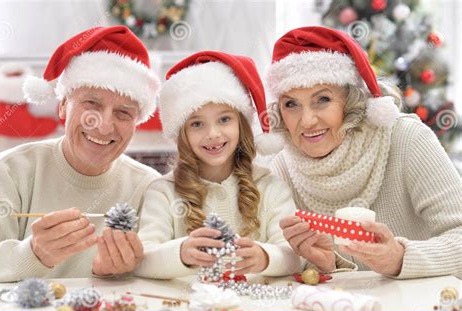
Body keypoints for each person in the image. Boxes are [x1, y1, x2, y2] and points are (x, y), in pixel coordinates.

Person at [265, 26, 461, 279]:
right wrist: (326, 266)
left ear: (351, 100)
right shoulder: (282, 168)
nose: (307, 121)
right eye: (291, 104)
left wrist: (399, 258)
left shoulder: (407, 139)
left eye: (322, 99)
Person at [0, 26, 161, 289]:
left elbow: (164, 289)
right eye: (91, 104)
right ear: (63, 106)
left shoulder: (151, 188)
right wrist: (32, 255)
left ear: (136, 122)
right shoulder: (8, 172)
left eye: (123, 113)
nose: (103, 126)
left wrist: (113, 276)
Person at [135, 51, 303, 279]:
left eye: (224, 119)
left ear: (241, 124)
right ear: (181, 134)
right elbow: (143, 259)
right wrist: (181, 253)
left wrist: (265, 257)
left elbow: (294, 254)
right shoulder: (163, 192)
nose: (213, 134)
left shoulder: (270, 186)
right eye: (197, 124)